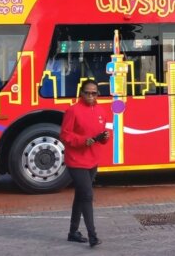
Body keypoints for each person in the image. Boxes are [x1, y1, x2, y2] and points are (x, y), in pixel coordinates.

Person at [60, 80, 110, 247]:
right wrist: (82, 141)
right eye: (87, 93)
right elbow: (65, 135)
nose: (90, 96)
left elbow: (102, 135)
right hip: (76, 160)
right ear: (81, 93)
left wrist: (104, 138)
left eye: (94, 93)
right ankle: (92, 235)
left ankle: (73, 232)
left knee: (81, 196)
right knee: (87, 195)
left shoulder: (101, 111)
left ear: (97, 94)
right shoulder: (73, 111)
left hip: (92, 159)